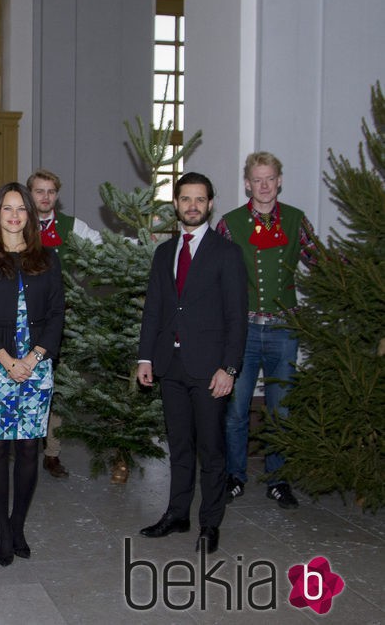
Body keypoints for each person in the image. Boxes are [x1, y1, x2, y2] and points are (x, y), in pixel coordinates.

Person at [136, 172, 248, 554]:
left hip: (210, 369)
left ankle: (210, 524)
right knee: (179, 446)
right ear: (176, 205)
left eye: (200, 200)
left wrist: (229, 368)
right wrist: (146, 356)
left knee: (212, 451)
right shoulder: (164, 252)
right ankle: (177, 514)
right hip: (171, 364)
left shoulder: (227, 253)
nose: (193, 206)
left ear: (211, 204)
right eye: (186, 199)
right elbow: (154, 309)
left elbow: (237, 317)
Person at [0, 182, 65, 566]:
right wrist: (9, 362)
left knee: (28, 448)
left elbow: (58, 312)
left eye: (21, 208)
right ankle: (3, 531)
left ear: (30, 214)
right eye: (7, 208)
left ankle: (19, 524)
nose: (14, 215)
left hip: (37, 369)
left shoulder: (49, 258)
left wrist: (35, 357)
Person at [216, 152, 318, 509]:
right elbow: (216, 276)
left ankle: (279, 479)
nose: (264, 185)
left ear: (279, 181)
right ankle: (234, 476)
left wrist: (356, 273)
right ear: (247, 183)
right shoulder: (229, 224)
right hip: (242, 331)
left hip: (284, 331)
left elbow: (319, 261)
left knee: (282, 410)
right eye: (257, 179)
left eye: (270, 178)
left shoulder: (295, 220)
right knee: (236, 410)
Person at [27, 168, 102, 479]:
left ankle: (52, 452)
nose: (45, 197)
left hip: (63, 320)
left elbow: (102, 246)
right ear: (30, 195)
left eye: (51, 192)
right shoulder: (17, 224)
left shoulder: (73, 228)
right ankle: (25, 448)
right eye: (39, 191)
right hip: (26, 321)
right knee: (28, 383)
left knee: (58, 386)